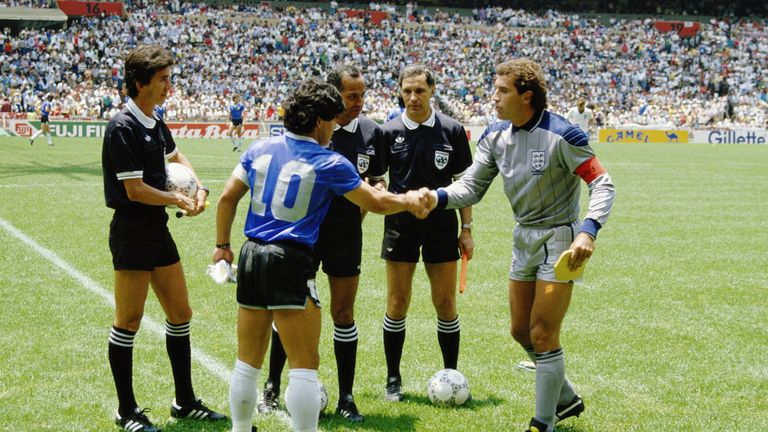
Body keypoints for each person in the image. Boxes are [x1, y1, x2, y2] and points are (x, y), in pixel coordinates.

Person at [213, 78, 429, 432]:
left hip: (251, 255)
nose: (333, 128)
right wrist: (409, 200)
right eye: (330, 120)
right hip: (291, 259)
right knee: (305, 363)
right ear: (317, 122)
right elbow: (375, 201)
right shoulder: (329, 161)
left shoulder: (259, 148)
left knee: (247, 361)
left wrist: (222, 245)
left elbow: (226, 198)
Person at [425, 58, 615, 432]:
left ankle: (543, 423)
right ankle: (567, 397)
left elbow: (603, 183)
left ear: (526, 96)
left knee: (543, 333)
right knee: (520, 331)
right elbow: (471, 187)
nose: (493, 98)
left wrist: (587, 230)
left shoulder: (564, 135)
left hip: (561, 239)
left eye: (502, 91)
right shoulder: (495, 136)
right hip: (522, 237)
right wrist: (435, 197)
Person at [101, 45, 226, 432]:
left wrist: (200, 187)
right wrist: (177, 197)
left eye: (169, 79)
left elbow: (178, 157)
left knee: (180, 313)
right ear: (140, 83)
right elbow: (136, 191)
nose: (169, 87)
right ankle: (126, 411)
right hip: (132, 230)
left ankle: (184, 401)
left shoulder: (155, 120)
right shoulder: (123, 126)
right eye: (162, 80)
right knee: (129, 320)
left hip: (157, 228)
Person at [257, 65, 385, 422]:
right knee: (290, 310)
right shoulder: (312, 132)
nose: (359, 102)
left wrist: (356, 220)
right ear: (334, 95)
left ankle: (347, 397)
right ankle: (270, 386)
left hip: (346, 235)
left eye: (363, 95)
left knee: (344, 313)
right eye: (351, 96)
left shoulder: (374, 133)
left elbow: (376, 184)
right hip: (303, 236)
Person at [379, 64, 474, 402]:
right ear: (400, 92)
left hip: (442, 224)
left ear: (432, 91)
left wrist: (467, 229)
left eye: (420, 90)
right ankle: (393, 379)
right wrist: (395, 200)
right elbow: (377, 181)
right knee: (397, 301)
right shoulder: (387, 132)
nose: (413, 97)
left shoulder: (452, 130)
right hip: (400, 225)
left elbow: (465, 185)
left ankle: (452, 374)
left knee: (445, 302)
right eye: (407, 91)